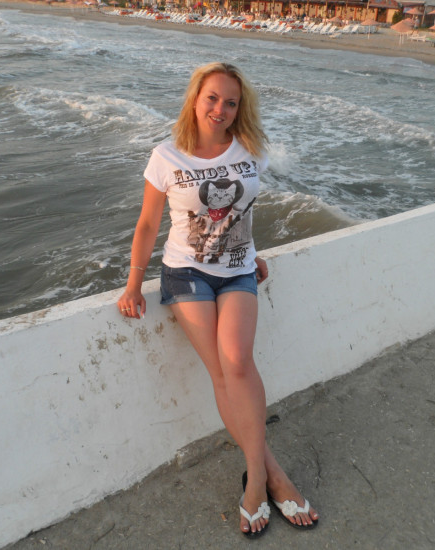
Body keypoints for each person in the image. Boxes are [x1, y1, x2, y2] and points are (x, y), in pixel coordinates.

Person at [117, 62, 320, 538]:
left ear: (239, 108)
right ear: (195, 98)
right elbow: (147, 225)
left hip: (239, 271)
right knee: (221, 372)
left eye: (231, 102)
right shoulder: (167, 156)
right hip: (185, 274)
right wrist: (132, 284)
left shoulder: (250, 150)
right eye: (212, 98)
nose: (220, 109)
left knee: (238, 363)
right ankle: (268, 477)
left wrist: (252, 251)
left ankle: (260, 476)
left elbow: (242, 212)